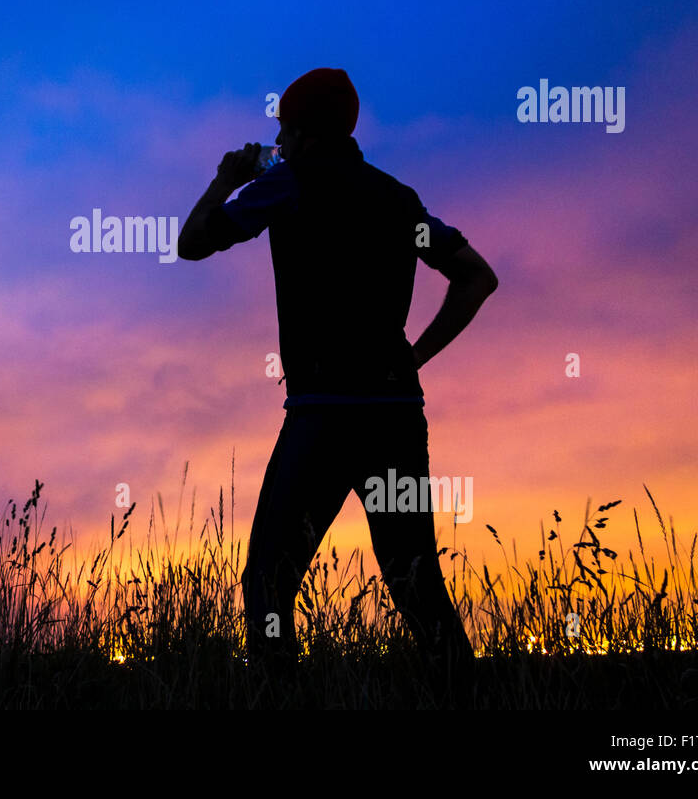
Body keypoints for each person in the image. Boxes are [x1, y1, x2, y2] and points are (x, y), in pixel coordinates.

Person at [177, 67, 497, 702]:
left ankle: (283, 699)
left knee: (269, 580)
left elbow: (191, 244)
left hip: (323, 418)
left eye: (282, 129)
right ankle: (478, 702)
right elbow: (476, 277)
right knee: (415, 580)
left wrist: (224, 180)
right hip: (395, 415)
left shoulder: (284, 184)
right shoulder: (397, 198)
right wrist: (416, 358)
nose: (279, 139)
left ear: (296, 131)